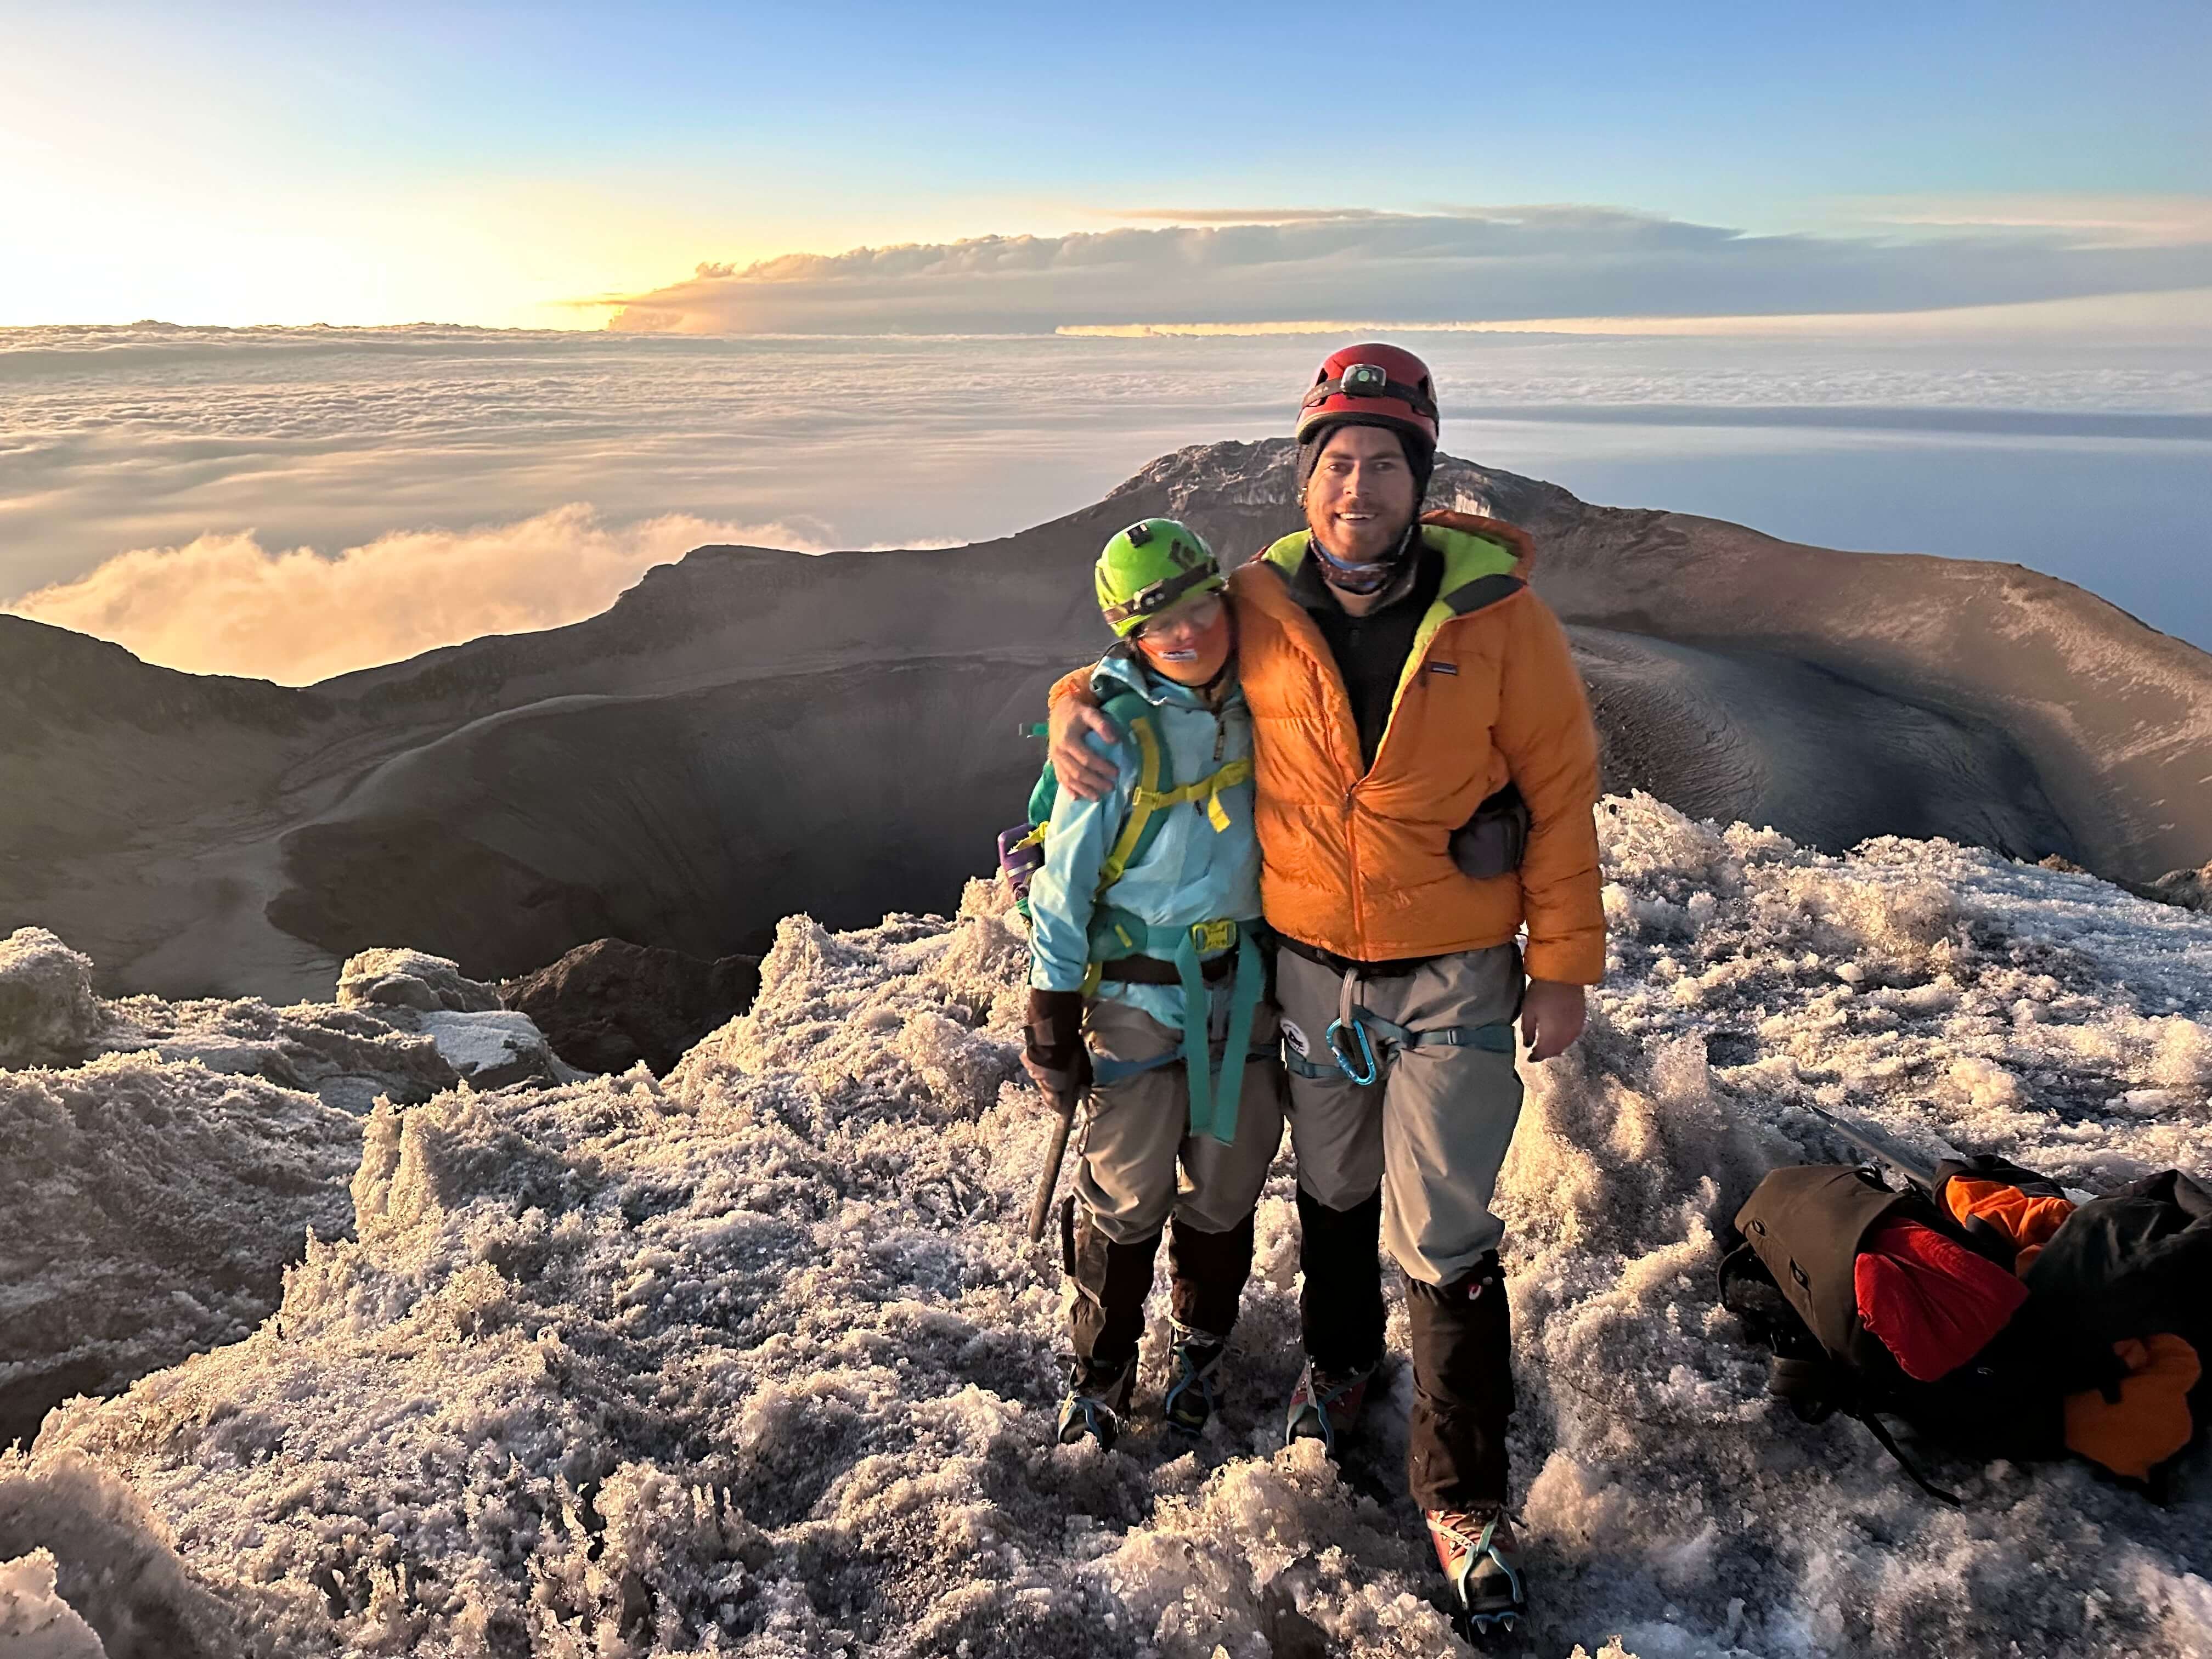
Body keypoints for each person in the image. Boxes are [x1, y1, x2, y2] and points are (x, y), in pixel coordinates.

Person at [1046, 345, 1604, 1637]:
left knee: (1448, 1227)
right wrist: (1073, 701)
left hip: (1455, 971)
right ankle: (1344, 1370)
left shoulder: (1498, 618)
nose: (1359, 485)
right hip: (1307, 970)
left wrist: (1564, 966)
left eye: (1384, 463)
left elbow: (1564, 792)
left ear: (1422, 477)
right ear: (1307, 481)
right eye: (1336, 464)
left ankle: (1462, 1497)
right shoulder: (1260, 601)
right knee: (1335, 1188)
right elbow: (1152, 661)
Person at [1021, 517, 1287, 1452]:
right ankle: (1100, 1375)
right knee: (1127, 1193)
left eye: (1194, 605)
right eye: (1153, 622)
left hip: (1245, 989)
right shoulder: (1111, 736)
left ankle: (1200, 1351)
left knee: (1226, 1185)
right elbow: (1063, 886)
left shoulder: (1268, 697)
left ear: (1222, 594)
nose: (1182, 632)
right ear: (1127, 635)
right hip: (1140, 998)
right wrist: (1051, 1012)